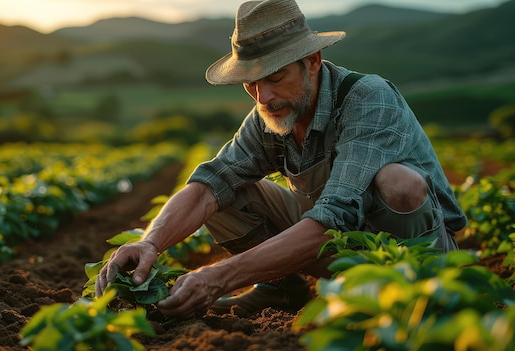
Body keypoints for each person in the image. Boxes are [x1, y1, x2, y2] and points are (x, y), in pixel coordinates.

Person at [96, 0, 467, 318]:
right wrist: (150, 243)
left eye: (275, 77)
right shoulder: (269, 115)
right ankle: (281, 289)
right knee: (221, 193)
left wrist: (219, 277)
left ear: (313, 61)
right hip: (342, 249)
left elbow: (335, 215)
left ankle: (420, 300)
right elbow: (210, 182)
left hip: (407, 253)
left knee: (398, 182)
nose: (263, 96)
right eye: (251, 83)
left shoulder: (367, 99)